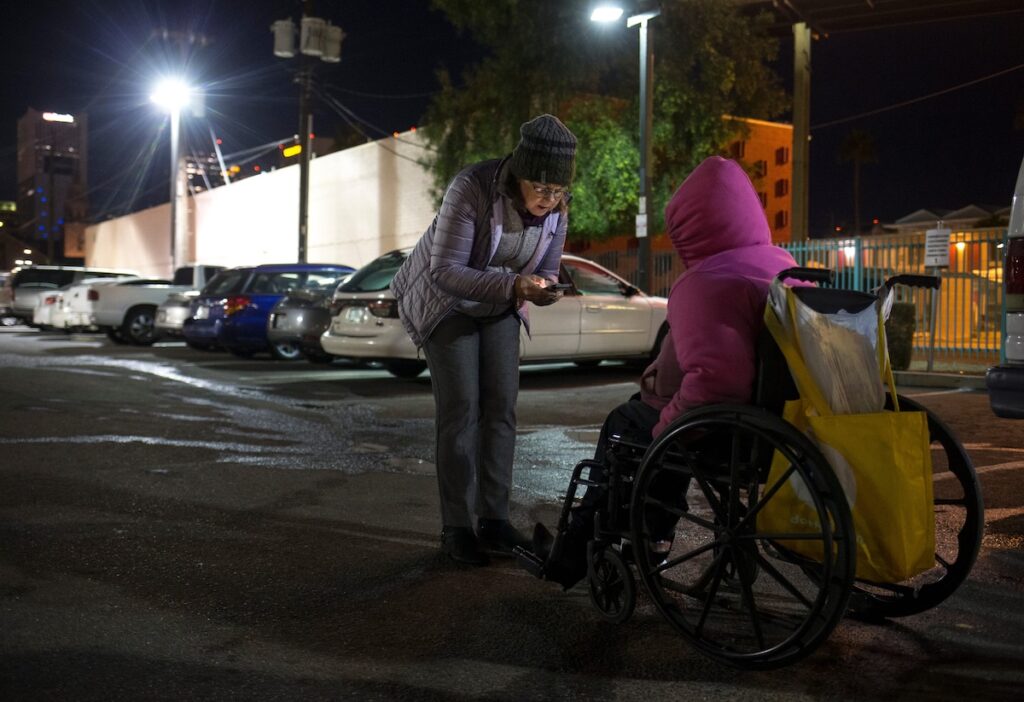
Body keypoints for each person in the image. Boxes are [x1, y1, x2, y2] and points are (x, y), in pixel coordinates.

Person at [537, 155, 800, 587]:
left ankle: (575, 552)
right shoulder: (781, 266)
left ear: (691, 228)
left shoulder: (709, 281)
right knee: (659, 427)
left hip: (724, 429)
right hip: (773, 424)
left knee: (631, 428)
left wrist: (667, 428)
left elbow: (718, 383)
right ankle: (653, 541)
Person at [391, 114, 578, 566]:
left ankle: (493, 520)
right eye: (541, 188)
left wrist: (544, 288)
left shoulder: (557, 208)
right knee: (462, 413)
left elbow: (548, 267)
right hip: (448, 305)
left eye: (558, 192)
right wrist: (515, 287)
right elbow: (445, 271)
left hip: (500, 308)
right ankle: (456, 527)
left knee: (502, 411)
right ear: (519, 173)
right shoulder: (472, 187)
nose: (549, 200)